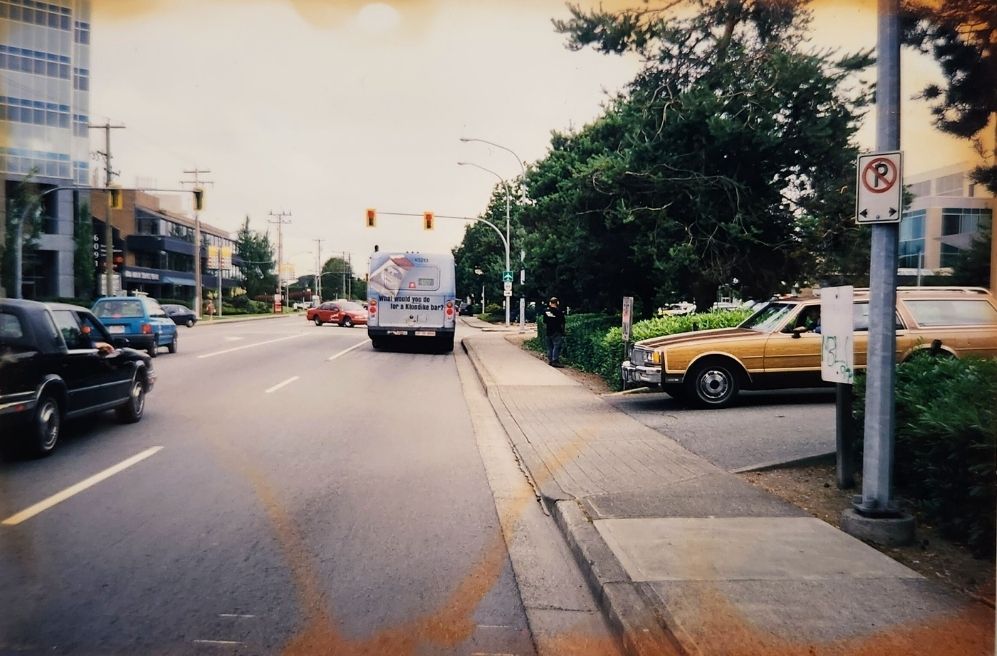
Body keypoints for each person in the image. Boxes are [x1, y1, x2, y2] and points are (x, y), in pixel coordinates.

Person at [543, 296, 566, 367]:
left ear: (550, 303)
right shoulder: (559, 312)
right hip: (557, 331)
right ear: (557, 303)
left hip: (548, 331)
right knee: (557, 346)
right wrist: (563, 332)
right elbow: (562, 323)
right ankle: (555, 360)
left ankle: (550, 360)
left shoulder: (546, 312)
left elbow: (544, 322)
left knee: (550, 347)